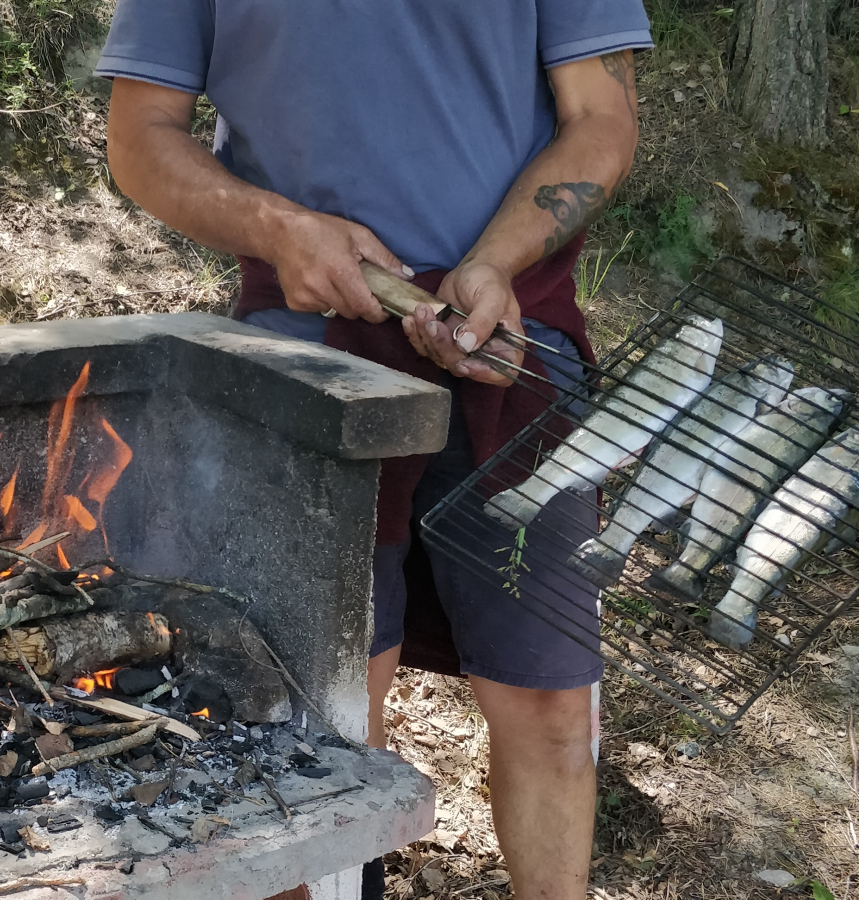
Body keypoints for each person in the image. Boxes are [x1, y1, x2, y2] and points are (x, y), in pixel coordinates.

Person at [96, 4, 651, 899]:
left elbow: (602, 117)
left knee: (549, 701)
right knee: (328, 712)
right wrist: (277, 226)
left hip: (516, 342)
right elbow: (140, 136)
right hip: (304, 364)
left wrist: (495, 263)